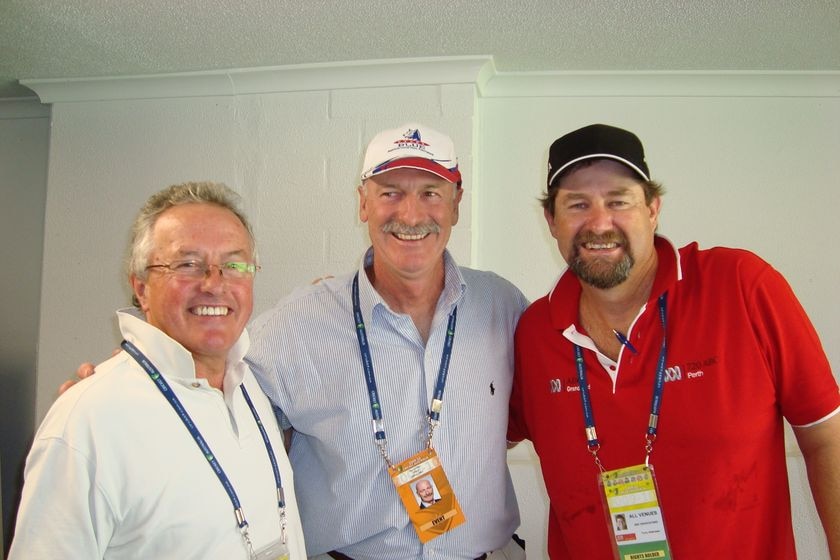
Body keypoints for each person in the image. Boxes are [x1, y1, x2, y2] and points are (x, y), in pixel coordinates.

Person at [507, 124, 840, 558]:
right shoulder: (535, 331)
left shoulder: (741, 286)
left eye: (618, 200)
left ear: (652, 208)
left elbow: (826, 439)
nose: (599, 222)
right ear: (552, 221)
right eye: (577, 204)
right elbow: (480, 437)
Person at [247, 123, 529, 559]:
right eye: (390, 192)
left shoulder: (503, 305)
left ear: (456, 204)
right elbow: (214, 394)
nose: (412, 215)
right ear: (363, 203)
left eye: (431, 193)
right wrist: (136, 370)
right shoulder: (297, 323)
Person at [10, 182, 306, 559]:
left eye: (233, 264)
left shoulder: (247, 385)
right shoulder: (89, 421)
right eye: (187, 264)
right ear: (141, 288)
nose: (214, 284)